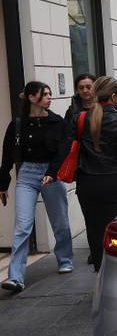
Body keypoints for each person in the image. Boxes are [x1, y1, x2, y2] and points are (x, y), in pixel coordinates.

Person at [0, 82, 74, 292]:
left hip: (52, 173)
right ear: (32, 98)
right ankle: (15, 277)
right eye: (45, 94)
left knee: (60, 222)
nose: (50, 98)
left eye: (50, 94)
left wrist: (52, 173)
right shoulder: (17, 124)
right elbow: (7, 155)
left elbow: (63, 151)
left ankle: (65, 258)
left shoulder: (57, 121)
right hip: (27, 174)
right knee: (22, 225)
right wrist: (3, 183)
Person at [74, 76, 117, 272]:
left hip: (88, 183)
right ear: (115, 96)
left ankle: (100, 270)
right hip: (114, 182)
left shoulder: (81, 118)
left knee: (93, 230)